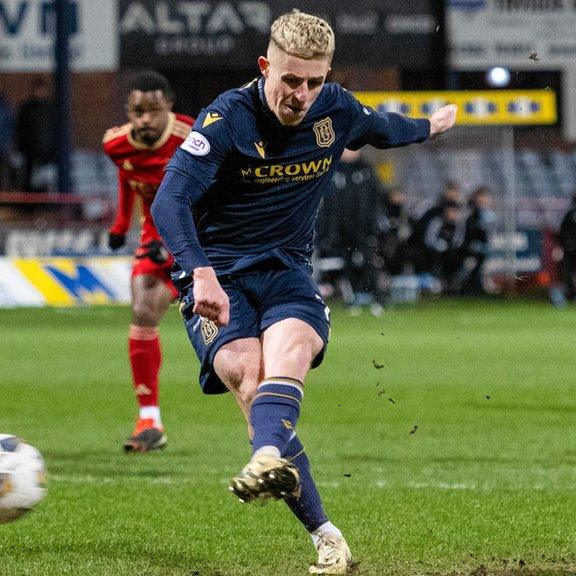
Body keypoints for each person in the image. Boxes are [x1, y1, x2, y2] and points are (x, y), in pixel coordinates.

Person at [150, 10, 456, 574]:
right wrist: (200, 272)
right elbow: (168, 202)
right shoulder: (226, 119)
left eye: (314, 81)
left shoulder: (334, 108)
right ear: (266, 66)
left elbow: (384, 128)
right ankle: (326, 533)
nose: (302, 94)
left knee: (289, 353)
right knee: (247, 373)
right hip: (219, 277)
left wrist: (429, 127)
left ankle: (267, 457)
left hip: (287, 269)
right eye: (291, 80)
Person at [102, 71, 194, 452]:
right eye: (137, 111)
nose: (145, 119)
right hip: (156, 237)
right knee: (142, 310)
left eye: (153, 110)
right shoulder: (116, 144)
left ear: (168, 108)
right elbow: (129, 178)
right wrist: (121, 224)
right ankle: (149, 420)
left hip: (205, 235)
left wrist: (176, 251)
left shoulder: (191, 138)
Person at [324, 148, 387, 315]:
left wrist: (374, 224)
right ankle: (350, 300)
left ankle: (378, 299)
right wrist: (329, 229)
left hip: (364, 229)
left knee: (369, 262)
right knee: (346, 266)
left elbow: (376, 199)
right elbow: (328, 203)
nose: (348, 152)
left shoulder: (366, 170)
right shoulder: (333, 170)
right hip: (341, 230)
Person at [460, 187, 495, 295]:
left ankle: (480, 287)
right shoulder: (470, 215)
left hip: (483, 249)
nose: (483, 200)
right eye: (481, 197)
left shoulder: (490, 216)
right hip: (469, 249)